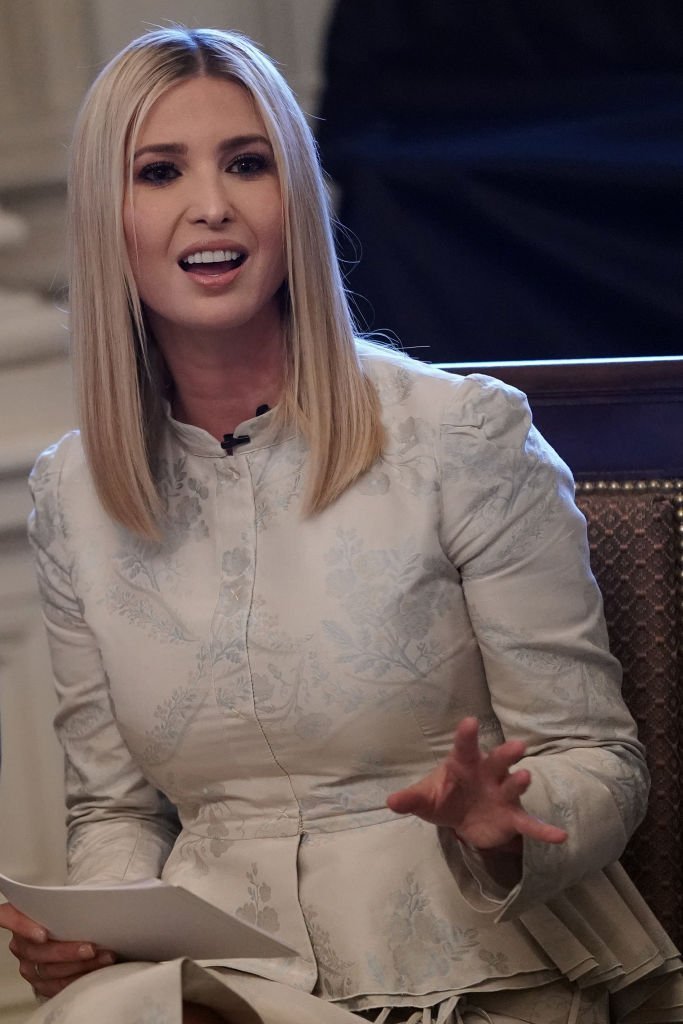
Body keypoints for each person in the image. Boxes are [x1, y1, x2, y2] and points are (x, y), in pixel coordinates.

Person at [0, 25, 681, 1024]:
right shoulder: (72, 495)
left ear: (296, 198)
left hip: (469, 971)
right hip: (223, 982)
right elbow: (115, 812)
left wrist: (501, 823)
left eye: (247, 163)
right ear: (109, 215)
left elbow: (595, 757)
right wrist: (104, 935)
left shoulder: (463, 434)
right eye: (158, 171)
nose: (211, 204)